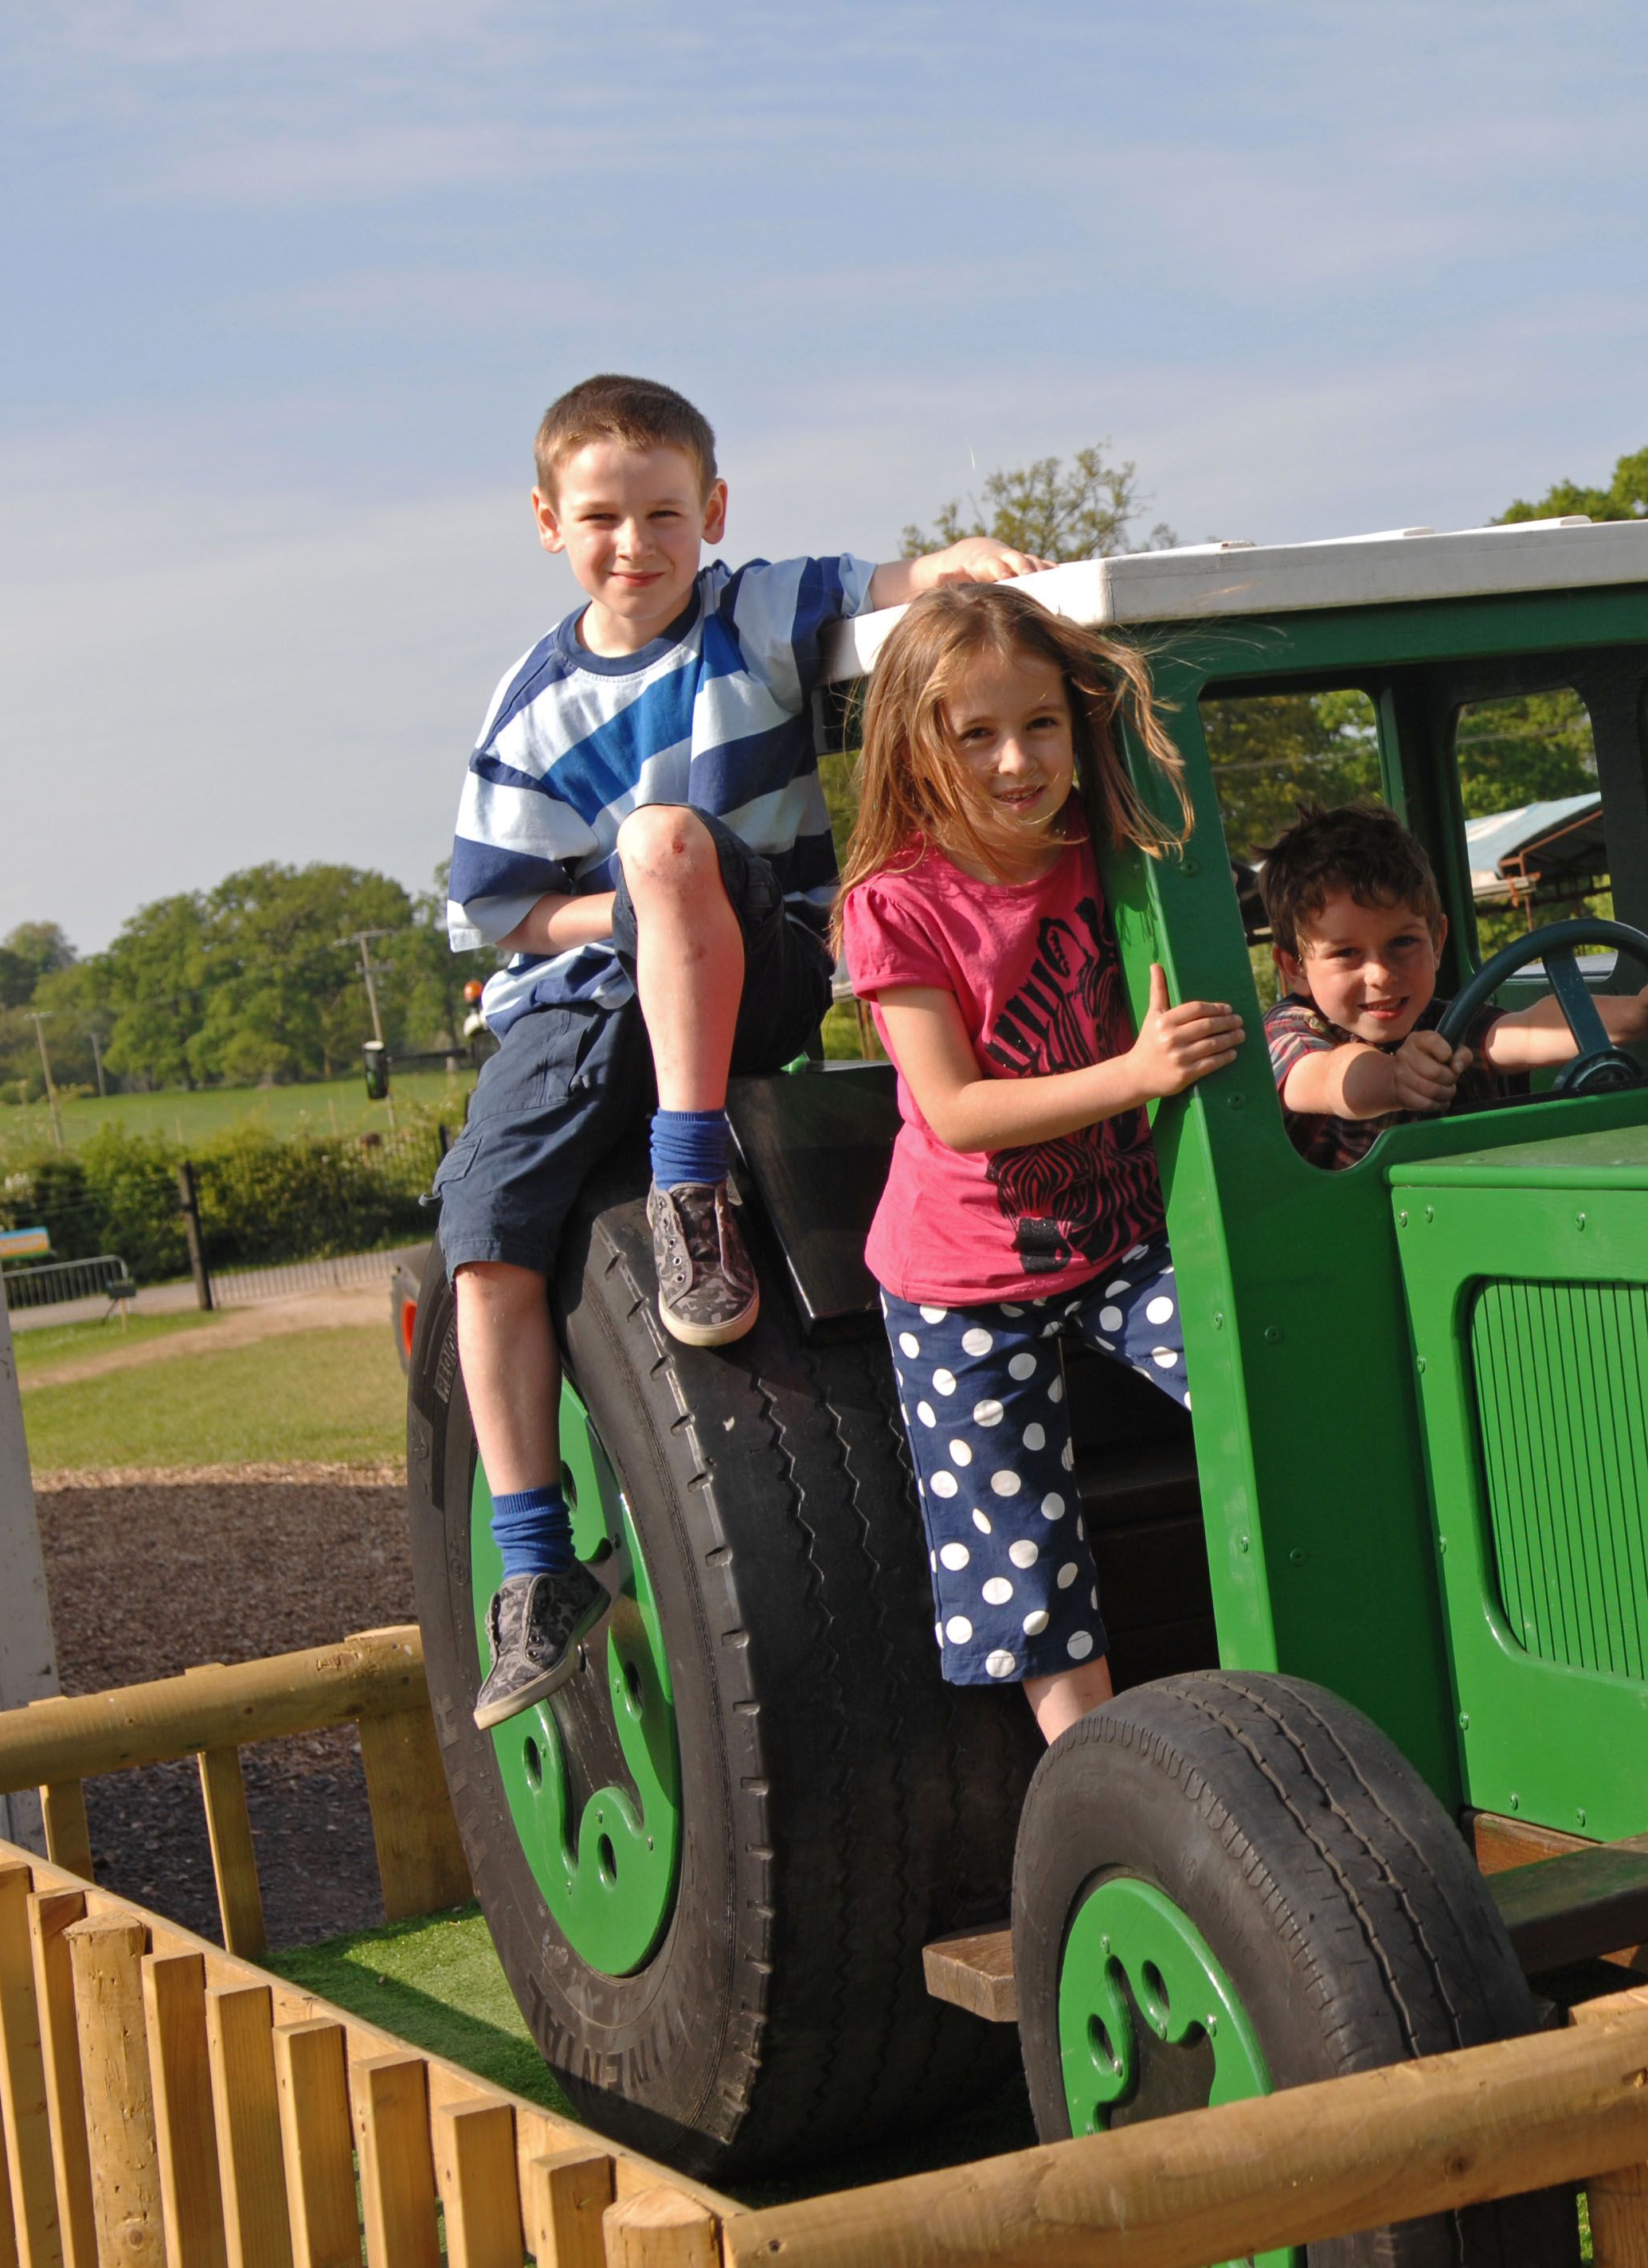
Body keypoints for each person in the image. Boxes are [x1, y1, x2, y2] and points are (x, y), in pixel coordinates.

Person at [440, 374, 1046, 1733]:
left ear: (712, 512)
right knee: (480, 1237)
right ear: (548, 522)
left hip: (755, 956)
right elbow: (505, 904)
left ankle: (689, 1181)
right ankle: (535, 1568)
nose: (635, 543)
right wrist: (647, 910)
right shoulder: (529, 706)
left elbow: (878, 580)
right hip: (590, 986)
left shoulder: (750, 618)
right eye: (601, 516)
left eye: (665, 513)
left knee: (667, 839)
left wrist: (952, 562)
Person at [837, 584, 1247, 1738]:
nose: (1016, 761)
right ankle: (1095, 1774)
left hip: (1119, 1236)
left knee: (1258, 1374)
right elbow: (958, 1110)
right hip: (960, 1278)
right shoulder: (895, 903)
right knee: (1019, 1563)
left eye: (1041, 726)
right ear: (917, 747)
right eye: (976, 735)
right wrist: (1135, 1075)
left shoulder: (1114, 854)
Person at [1257, 804, 1648, 1170]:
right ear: (1294, 967)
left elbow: (1527, 1030)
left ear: (1437, 943)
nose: (1379, 973)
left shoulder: (1443, 1023)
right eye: (1346, 954)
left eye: (1403, 942)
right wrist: (1396, 1078)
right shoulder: (1290, 1031)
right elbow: (1330, 1077)